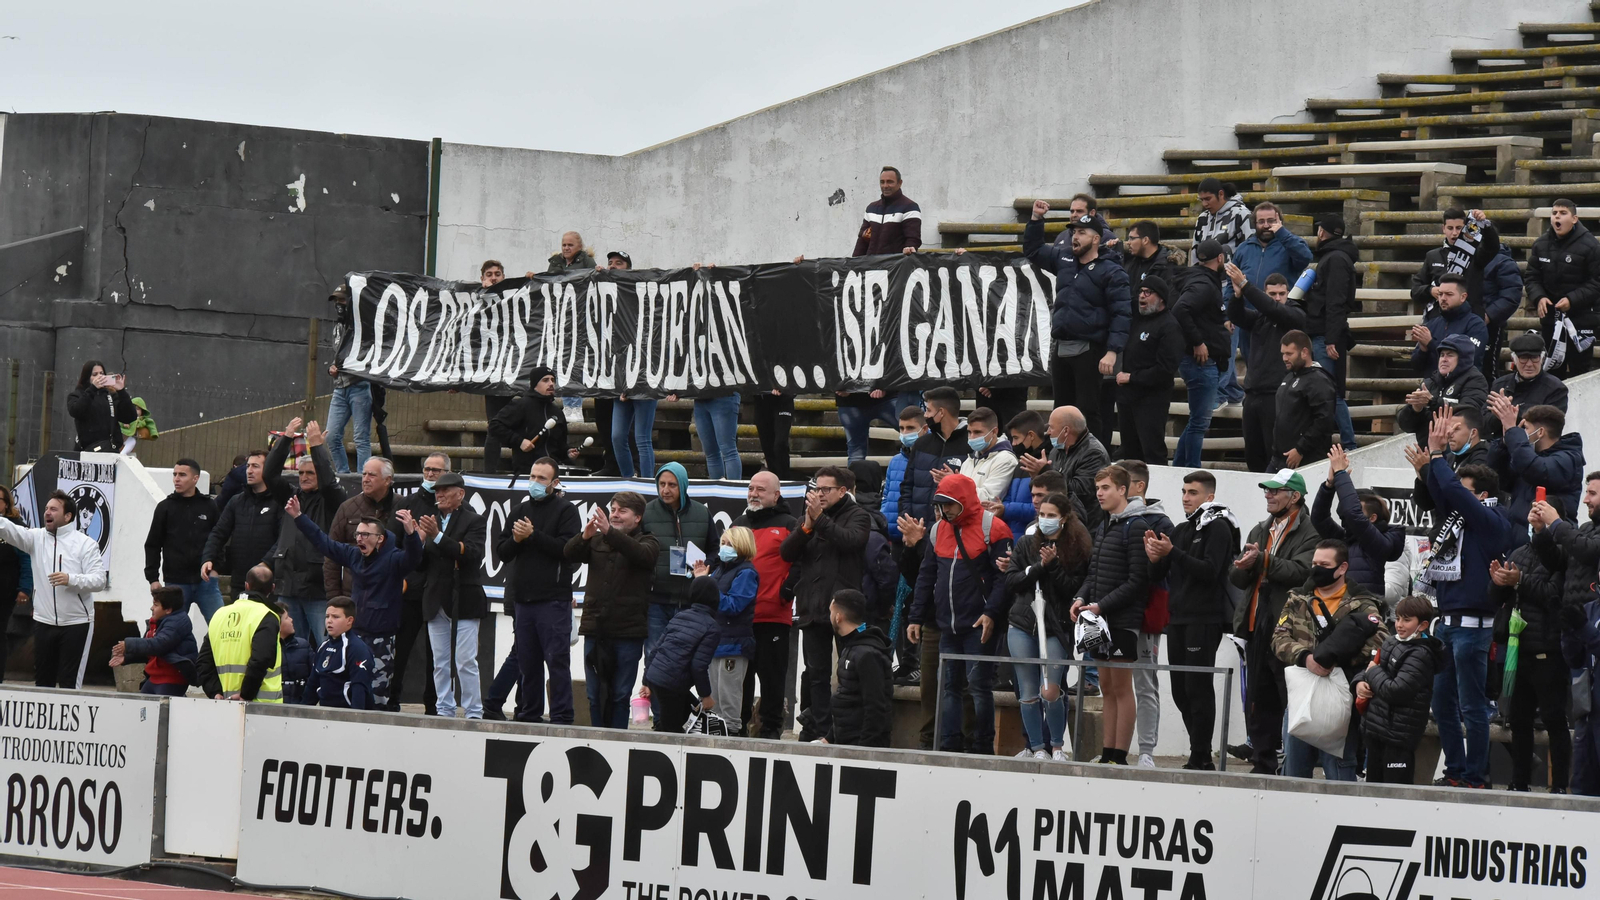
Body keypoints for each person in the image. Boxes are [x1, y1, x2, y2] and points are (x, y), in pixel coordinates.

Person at [1404, 410, 1519, 788]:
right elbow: (1445, 496)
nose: (1458, 498)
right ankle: (1455, 771)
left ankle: (1476, 776)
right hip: (1447, 628)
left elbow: (1451, 493)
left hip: (1474, 630)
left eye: (1466, 492)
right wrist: (1428, 470)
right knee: (1443, 706)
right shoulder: (1462, 521)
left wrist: (1438, 457)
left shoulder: (1493, 520)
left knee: (1471, 708)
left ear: (1482, 496)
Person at [910, 473, 1013, 754]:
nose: (945, 512)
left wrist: (991, 613)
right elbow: (926, 575)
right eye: (941, 506)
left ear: (964, 501)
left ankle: (981, 747)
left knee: (978, 688)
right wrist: (916, 616)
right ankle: (949, 746)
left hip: (979, 625)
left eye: (950, 505)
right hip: (947, 625)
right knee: (949, 688)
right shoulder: (937, 530)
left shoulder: (994, 528)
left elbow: (1003, 579)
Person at [287, 495, 422, 711]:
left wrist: (411, 534)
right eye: (358, 534)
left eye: (365, 535)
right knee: (351, 689)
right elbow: (324, 542)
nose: (359, 538)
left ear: (379, 539)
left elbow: (414, 558)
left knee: (377, 696)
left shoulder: (394, 559)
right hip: (354, 637)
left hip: (381, 639)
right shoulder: (353, 555)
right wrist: (299, 517)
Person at [1144, 470, 1239, 770]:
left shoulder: (1220, 527)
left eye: (1193, 492)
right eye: (1184, 491)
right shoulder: (1181, 530)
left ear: (1209, 496)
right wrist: (1155, 557)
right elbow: (1158, 576)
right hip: (1178, 619)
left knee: (1198, 687)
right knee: (1180, 690)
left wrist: (1173, 553)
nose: (1185, 497)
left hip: (1205, 618)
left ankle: (1201, 755)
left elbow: (1210, 571)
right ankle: (1198, 748)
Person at [1273, 539, 1389, 781]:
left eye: (1324, 564)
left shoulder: (1363, 603)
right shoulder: (1298, 599)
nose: (1316, 568)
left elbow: (1380, 642)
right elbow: (1279, 638)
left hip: (1340, 696)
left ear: (1342, 568)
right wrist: (1306, 658)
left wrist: (1337, 659)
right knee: (1294, 771)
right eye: (1314, 563)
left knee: (1340, 770)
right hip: (1301, 696)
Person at [1229, 470, 1320, 774]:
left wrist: (1264, 560)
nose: (1268, 495)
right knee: (1259, 699)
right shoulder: (1259, 530)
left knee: (1289, 698)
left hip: (1289, 630)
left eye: (1275, 491)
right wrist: (1242, 567)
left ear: (1294, 497)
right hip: (1257, 624)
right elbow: (1239, 579)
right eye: (1267, 491)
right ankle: (1263, 762)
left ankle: (1295, 765)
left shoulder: (1311, 532)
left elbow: (1302, 572)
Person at [1067, 466, 1156, 765]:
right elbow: (1094, 573)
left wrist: (1101, 606)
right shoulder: (1104, 525)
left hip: (1121, 620)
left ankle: (1120, 754)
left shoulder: (1136, 526)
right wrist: (1081, 597)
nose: (1100, 494)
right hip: (1097, 619)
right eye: (1097, 489)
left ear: (1123, 489)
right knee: (1105, 687)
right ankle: (1107, 753)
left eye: (1105, 487)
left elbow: (1137, 582)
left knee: (1120, 687)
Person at [1023, 205, 1132, 445]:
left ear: (1095, 239)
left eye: (1081, 232)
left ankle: (1093, 460)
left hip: (1091, 349)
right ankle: (1062, 456)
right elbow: (1033, 250)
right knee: (1061, 410)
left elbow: (1122, 314)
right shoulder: (1064, 260)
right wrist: (1036, 219)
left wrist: (1113, 352)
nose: (1075, 236)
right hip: (1062, 345)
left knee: (1087, 410)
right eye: (1074, 232)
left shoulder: (1112, 271)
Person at [782, 465, 872, 742]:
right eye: (816, 488)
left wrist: (819, 520)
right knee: (816, 675)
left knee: (850, 673)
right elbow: (786, 552)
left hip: (845, 611)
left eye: (825, 489)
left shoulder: (859, 515)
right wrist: (806, 528)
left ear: (842, 491)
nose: (818, 494)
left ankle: (846, 731)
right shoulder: (808, 517)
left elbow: (851, 541)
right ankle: (820, 730)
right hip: (812, 606)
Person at [1002, 491, 1090, 761]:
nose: (1045, 519)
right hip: (1021, 624)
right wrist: (1040, 566)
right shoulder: (1027, 544)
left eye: (1051, 515)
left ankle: (1057, 746)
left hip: (1056, 626)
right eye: (1042, 514)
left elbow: (1072, 588)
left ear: (1064, 518)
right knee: (1027, 693)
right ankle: (1037, 747)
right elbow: (1013, 581)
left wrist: (1053, 567)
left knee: (1050, 690)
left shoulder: (1077, 547)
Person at [497, 458, 583, 723]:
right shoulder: (519, 509)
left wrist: (533, 536)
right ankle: (528, 715)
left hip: (553, 600)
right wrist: (516, 539)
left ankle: (561, 717)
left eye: (541, 478)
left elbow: (568, 549)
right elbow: (502, 552)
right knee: (527, 664)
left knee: (556, 663)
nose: (534, 482)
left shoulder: (566, 510)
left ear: (555, 482)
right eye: (532, 476)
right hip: (523, 600)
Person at [565, 490, 658, 729]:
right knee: (594, 695)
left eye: (622, 511)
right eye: (613, 509)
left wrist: (610, 532)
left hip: (628, 632)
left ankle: (618, 740)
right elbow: (569, 554)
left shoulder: (648, 541)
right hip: (596, 628)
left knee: (619, 695)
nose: (615, 515)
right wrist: (583, 537)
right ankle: (597, 739)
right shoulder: (597, 539)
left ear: (637, 517)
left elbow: (642, 556)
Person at [1500, 500, 1573, 793]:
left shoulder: (1564, 555)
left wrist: (1520, 581)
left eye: (1540, 514)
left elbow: (1553, 595)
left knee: (1555, 720)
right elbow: (1498, 597)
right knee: (1518, 721)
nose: (1534, 520)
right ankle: (1519, 783)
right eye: (1532, 515)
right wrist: (1499, 582)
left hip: (1549, 650)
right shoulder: (1519, 551)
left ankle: (1559, 787)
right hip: (1519, 651)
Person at [0, 490, 106, 689]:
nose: (47, 512)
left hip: (77, 622)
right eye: (46, 508)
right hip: (43, 621)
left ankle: (71, 721)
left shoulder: (86, 544)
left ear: (68, 516)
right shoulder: (35, 538)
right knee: (43, 682)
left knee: (69, 683)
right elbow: (8, 529)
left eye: (54, 509)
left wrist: (70, 579)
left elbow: (99, 580)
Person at [642, 462, 722, 713]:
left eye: (672, 485)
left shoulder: (701, 513)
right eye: (661, 484)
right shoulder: (647, 512)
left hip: (690, 602)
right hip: (657, 599)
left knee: (688, 660)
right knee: (655, 657)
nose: (665, 490)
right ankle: (659, 715)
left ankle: (680, 713)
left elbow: (715, 549)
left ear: (683, 485)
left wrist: (706, 565)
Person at [1222, 202, 1313, 410]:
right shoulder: (1245, 248)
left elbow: (1306, 257)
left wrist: (1282, 233)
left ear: (1279, 221)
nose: (1266, 225)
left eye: (1271, 221)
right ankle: (1255, 405)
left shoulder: (1288, 243)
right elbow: (1232, 282)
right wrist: (1228, 314)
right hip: (1250, 320)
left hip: (1281, 319)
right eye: (1261, 221)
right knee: (1252, 364)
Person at [413, 473, 487, 719]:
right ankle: (444, 709)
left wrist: (437, 537)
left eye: (445, 490)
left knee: (465, 660)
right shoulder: (430, 521)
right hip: (436, 598)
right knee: (440, 661)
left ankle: (474, 712)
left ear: (461, 494)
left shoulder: (474, 521)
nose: (440, 494)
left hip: (465, 597)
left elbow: (471, 555)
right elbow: (421, 565)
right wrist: (417, 541)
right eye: (437, 490)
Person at [265, 420, 345, 643]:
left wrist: (317, 444)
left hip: (317, 589)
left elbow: (329, 483)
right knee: (291, 646)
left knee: (326, 645)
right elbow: (270, 476)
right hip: (288, 586)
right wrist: (286, 439)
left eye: (311, 472)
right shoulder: (291, 496)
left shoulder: (331, 500)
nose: (304, 476)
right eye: (301, 472)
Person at [732, 473, 797, 739]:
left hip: (773, 618)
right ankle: (737, 731)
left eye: (761, 489)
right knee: (739, 684)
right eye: (750, 488)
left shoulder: (789, 524)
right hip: (739, 621)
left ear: (776, 495)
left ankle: (771, 734)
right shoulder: (738, 524)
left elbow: (800, 564)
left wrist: (785, 592)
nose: (754, 493)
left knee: (772, 683)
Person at [1356, 595, 1444, 785]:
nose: (1400, 625)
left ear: (1422, 625)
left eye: (1407, 620)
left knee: (1396, 795)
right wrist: (1359, 683)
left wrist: (1372, 673)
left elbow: (1396, 691)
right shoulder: (1391, 642)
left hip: (1399, 737)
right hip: (1377, 731)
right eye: (1398, 618)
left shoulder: (1421, 654)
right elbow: (1370, 668)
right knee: (1374, 791)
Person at [1228, 267, 1307, 472]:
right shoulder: (1259, 319)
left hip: (1277, 395)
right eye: (1272, 294)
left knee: (1274, 453)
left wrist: (1246, 286)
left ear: (1289, 293)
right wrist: (1237, 296)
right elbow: (1236, 315)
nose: (1278, 298)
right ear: (1265, 294)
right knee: (1253, 454)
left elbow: (1274, 309)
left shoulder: (1294, 314)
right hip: (1253, 394)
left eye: (1282, 294)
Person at [392, 452, 449, 712]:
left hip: (438, 590)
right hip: (409, 591)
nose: (430, 474)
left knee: (436, 656)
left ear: (447, 473)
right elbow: (392, 545)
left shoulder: (455, 508)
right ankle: (392, 699)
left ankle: (433, 705)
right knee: (399, 651)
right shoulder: (407, 503)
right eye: (427, 469)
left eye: (436, 470)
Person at [1311, 447, 1405, 602]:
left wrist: (1341, 473)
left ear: (1373, 518)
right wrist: (1330, 485)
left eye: (1360, 510)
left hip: (1363, 612)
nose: (1347, 514)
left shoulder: (1381, 541)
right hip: (1336, 607)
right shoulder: (1345, 538)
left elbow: (1353, 514)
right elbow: (1319, 518)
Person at [691, 526, 759, 733]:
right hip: (714, 642)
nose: (724, 548)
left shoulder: (746, 572)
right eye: (723, 543)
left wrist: (707, 585)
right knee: (714, 700)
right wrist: (703, 580)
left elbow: (734, 605)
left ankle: (732, 736)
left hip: (734, 645)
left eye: (730, 544)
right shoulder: (720, 570)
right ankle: (714, 737)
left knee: (729, 700)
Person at [1172, 241, 1230, 467]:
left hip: (1196, 361)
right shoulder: (1204, 283)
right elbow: (1181, 309)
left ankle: (1180, 468)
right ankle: (1191, 472)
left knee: (1196, 421)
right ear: (1220, 259)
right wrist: (1198, 341)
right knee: (1199, 423)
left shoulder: (1196, 278)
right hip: (1200, 362)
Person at [1527, 198, 1600, 378]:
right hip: (1551, 320)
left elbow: (1596, 282)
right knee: (1551, 372)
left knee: (1580, 371)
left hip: (1581, 321)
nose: (1557, 217)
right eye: (1554, 213)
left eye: (1562, 213)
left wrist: (1572, 300)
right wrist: (1539, 297)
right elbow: (1531, 277)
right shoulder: (1541, 244)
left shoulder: (1591, 246)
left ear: (1574, 219)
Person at [1304, 214, 1359, 451]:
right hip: (1323, 334)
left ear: (1322, 232)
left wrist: (1331, 340)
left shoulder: (1335, 259)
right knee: (1327, 394)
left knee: (1332, 394)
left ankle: (1349, 445)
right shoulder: (1334, 257)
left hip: (1325, 337)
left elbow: (1336, 303)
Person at [1117, 275, 1185, 465]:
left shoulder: (1170, 326)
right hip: (1127, 398)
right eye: (1140, 292)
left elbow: (1165, 370)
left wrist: (1132, 378)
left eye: (1148, 293)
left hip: (1151, 400)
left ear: (1161, 298)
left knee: (1152, 451)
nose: (1142, 297)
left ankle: (1157, 492)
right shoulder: (1136, 320)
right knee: (1130, 453)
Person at [144, 457, 223, 621]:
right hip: (175, 583)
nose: (176, 479)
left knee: (221, 626)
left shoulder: (209, 506)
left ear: (195, 479)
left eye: (182, 475)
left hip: (206, 581)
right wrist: (153, 578)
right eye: (174, 474)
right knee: (170, 629)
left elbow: (219, 538)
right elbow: (152, 544)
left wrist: (217, 568)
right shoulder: (165, 507)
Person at [642, 575, 722, 733]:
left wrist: (646, 681)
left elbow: (656, 649)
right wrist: (705, 695)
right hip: (672, 683)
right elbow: (698, 665)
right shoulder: (712, 627)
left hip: (657, 676)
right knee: (672, 730)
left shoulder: (680, 616)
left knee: (688, 714)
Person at [1485, 400, 1584, 526]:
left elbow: (1538, 471)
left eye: (1525, 428)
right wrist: (1504, 442)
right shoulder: (1528, 458)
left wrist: (1513, 431)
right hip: (1520, 539)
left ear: (1540, 432)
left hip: (1549, 541)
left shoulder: (1569, 458)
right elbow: (1500, 479)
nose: (1522, 433)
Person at [202, 449, 286, 595]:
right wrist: (208, 557)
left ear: (269, 469)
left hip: (270, 583)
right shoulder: (237, 501)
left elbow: (284, 539)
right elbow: (219, 532)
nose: (249, 471)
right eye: (248, 466)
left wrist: (265, 564)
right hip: (240, 581)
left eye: (255, 466)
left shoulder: (280, 502)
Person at [196, 565, 284, 702]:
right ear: (272, 588)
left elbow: (203, 662)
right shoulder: (267, 616)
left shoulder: (219, 614)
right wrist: (245, 695)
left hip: (225, 704)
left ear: (246, 586)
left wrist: (215, 692)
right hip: (263, 707)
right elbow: (260, 660)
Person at [1020, 405, 1110, 532]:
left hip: (1084, 525)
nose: (1048, 432)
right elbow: (1047, 486)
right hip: (1054, 518)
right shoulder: (1056, 450)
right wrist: (1037, 476)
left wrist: (1045, 472)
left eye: (1051, 427)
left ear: (1066, 431)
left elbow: (1081, 491)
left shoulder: (1094, 453)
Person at [824, 589, 894, 747]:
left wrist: (862, 750)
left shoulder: (867, 654)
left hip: (861, 747)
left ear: (838, 617)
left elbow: (875, 707)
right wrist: (830, 737)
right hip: (846, 741)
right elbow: (846, 695)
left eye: (830, 612)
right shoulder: (851, 646)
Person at [323, 456, 400, 600]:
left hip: (390, 595)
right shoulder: (347, 508)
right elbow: (331, 554)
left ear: (387, 480)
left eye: (372, 475)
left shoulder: (402, 506)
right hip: (353, 595)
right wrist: (334, 597)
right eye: (364, 474)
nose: (366, 479)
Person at [1411, 208, 1503, 327]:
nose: (1454, 233)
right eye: (1450, 228)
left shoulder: (1476, 254)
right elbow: (1415, 290)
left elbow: (1493, 247)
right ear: (1443, 229)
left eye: (1459, 228)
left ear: (1465, 228)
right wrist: (1430, 290)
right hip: (1438, 320)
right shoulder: (1432, 256)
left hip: (1469, 319)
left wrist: (1486, 225)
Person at [1396, 334, 1489, 446]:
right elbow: (1407, 426)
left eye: (1450, 355)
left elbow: (1469, 412)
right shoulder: (1430, 383)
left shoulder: (1475, 380)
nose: (1444, 359)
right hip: (1427, 453)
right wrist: (1415, 409)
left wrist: (1432, 402)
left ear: (1463, 358)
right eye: (1442, 355)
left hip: (1456, 453)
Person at [323, 285, 374, 474]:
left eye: (342, 300)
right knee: (331, 436)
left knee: (361, 438)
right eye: (336, 300)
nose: (338, 304)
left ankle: (364, 476)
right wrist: (332, 369)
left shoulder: (364, 327)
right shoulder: (337, 327)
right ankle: (343, 474)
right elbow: (337, 356)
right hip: (339, 388)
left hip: (360, 387)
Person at [109, 586, 196, 696]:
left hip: (171, 679)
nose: (151, 608)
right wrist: (127, 658)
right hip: (154, 679)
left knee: (162, 711)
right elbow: (150, 651)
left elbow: (159, 645)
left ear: (168, 609)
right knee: (142, 711)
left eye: (156, 605)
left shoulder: (178, 622)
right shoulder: (157, 622)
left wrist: (129, 644)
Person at [490, 366, 577, 474]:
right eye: (545, 380)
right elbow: (495, 426)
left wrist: (567, 452)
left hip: (553, 473)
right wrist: (519, 441)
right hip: (528, 473)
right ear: (535, 383)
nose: (551, 383)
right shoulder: (521, 405)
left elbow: (560, 445)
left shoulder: (557, 412)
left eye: (553, 380)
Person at [1483, 332, 1569, 441]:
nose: (1529, 364)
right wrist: (1498, 416)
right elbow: (1483, 425)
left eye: (1534, 358)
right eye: (1523, 358)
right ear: (1514, 359)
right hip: (1499, 448)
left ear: (1542, 359)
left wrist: (1509, 414)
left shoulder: (1556, 389)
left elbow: (1550, 428)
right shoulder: (1500, 385)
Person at [1271, 330, 1337, 470]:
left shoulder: (1319, 380)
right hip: (1280, 459)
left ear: (1304, 352)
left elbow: (1324, 421)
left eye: (1289, 354)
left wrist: (1301, 449)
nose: (1284, 358)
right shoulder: (1289, 377)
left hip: (1305, 460)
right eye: (1283, 353)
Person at [475, 261, 517, 474]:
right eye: (489, 274)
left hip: (516, 370)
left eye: (497, 274)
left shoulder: (515, 296)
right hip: (493, 375)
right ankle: (489, 473)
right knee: (495, 425)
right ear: (482, 278)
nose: (493, 278)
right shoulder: (475, 302)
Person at [301, 597, 375, 710]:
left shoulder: (358, 649)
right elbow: (312, 685)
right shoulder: (323, 647)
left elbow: (360, 689)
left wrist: (356, 720)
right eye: (327, 616)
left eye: (335, 617)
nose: (329, 621)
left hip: (348, 716)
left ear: (349, 620)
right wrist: (302, 714)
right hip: (325, 716)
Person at [1561, 589, 1600, 796]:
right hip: (1587, 712)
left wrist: (1583, 628)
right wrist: (1567, 632)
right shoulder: (1589, 609)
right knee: (1581, 790)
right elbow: (1574, 660)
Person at [1412, 275, 1490, 374]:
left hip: (1463, 386)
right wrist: (1423, 350)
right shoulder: (1432, 324)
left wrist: (1431, 344)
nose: (1443, 298)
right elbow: (1416, 366)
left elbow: (1468, 359)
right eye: (1440, 294)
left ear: (1463, 297)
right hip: (1432, 386)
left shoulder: (1476, 325)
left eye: (1449, 294)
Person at [66, 360, 136, 452]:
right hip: (88, 450)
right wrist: (92, 389)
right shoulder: (77, 395)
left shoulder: (110, 395)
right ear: (87, 377)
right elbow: (76, 411)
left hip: (110, 449)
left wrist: (121, 392)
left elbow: (129, 417)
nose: (99, 377)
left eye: (102, 373)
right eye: (94, 374)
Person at [0, 485, 32, 682]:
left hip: (5, 589)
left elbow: (26, 558)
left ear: (6, 504)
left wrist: (25, 588)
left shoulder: (15, 526)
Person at [853, 165, 923, 256]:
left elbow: (913, 239)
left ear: (900, 183)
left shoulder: (910, 207)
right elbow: (862, 241)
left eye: (890, 182)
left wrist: (909, 249)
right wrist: (853, 264)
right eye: (882, 182)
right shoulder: (871, 208)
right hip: (870, 266)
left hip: (896, 268)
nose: (885, 186)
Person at [957, 407, 1019, 509]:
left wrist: (956, 485)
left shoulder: (1006, 460)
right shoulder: (970, 459)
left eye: (977, 432)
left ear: (994, 432)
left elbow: (988, 499)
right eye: (969, 432)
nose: (972, 437)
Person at [884, 405, 927, 539]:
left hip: (919, 534)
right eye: (902, 428)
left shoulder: (932, 459)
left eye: (910, 428)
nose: (905, 433)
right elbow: (886, 496)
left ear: (924, 429)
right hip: (893, 532)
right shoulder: (895, 461)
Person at [1192, 177, 1251, 259]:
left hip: (1233, 269)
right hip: (1204, 270)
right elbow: (1195, 250)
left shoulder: (1241, 214)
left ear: (1221, 194)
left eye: (1208, 199)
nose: (1204, 204)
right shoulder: (1202, 218)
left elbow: (1251, 247)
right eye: (1201, 200)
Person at [692, 389, 744, 480]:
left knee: (728, 449)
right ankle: (716, 490)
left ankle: (734, 491)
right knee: (710, 452)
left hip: (724, 394)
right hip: (700, 398)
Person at [1121, 220, 1178, 292]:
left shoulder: (1167, 266)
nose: (1128, 243)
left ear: (1145, 240)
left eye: (1132, 238)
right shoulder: (1130, 262)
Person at [275, 600, 312, 704]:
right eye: (287, 618)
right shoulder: (266, 648)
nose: (291, 620)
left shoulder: (304, 646)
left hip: (301, 706)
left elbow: (313, 678)